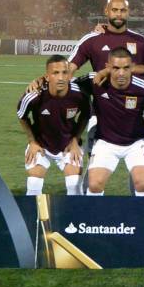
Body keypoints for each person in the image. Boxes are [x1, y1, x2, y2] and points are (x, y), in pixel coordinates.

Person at [75, 47, 144, 196]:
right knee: (94, 185)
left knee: (143, 183)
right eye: (115, 68)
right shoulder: (95, 81)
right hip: (106, 142)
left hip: (136, 142)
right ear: (107, 67)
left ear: (132, 67)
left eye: (126, 68)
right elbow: (66, 86)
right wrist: (40, 82)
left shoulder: (143, 87)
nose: (121, 73)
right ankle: (93, 218)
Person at [17, 55, 90, 196]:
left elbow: (86, 115)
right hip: (41, 145)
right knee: (33, 184)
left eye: (64, 72)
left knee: (74, 185)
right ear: (47, 76)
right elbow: (22, 116)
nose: (61, 77)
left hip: (68, 144)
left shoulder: (80, 94)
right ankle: (34, 217)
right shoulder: (34, 95)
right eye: (56, 73)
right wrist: (32, 142)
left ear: (69, 74)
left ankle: (73, 217)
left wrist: (75, 140)